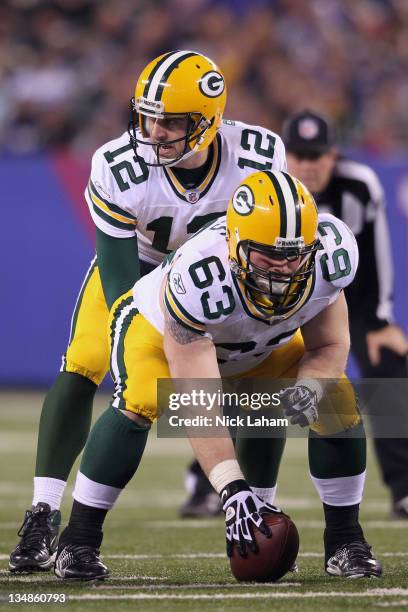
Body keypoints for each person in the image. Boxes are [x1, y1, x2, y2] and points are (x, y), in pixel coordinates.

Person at [9, 49, 287, 573]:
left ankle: (268, 508)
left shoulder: (256, 156)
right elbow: (118, 281)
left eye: (171, 121)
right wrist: (144, 341)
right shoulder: (119, 167)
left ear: (209, 122)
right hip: (138, 270)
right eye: (148, 117)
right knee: (87, 364)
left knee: (276, 382)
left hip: (217, 280)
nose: (155, 132)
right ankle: (44, 513)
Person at [54, 169, 382, 580]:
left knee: (336, 401)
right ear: (234, 243)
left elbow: (329, 345)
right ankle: (78, 540)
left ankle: (346, 541)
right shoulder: (199, 277)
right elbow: (199, 402)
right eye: (269, 254)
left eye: (295, 253)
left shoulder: (330, 256)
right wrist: (230, 487)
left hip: (257, 343)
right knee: (141, 399)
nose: (284, 268)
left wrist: (312, 386)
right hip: (158, 332)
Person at [283, 109, 408, 519]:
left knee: (387, 364)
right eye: (299, 156)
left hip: (341, 298)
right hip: (273, 300)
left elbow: (376, 256)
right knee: (239, 369)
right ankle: (208, 483)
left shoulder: (358, 184)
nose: (308, 166)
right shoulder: (263, 188)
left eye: (316, 155)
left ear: (333, 155)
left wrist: (380, 320)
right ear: (284, 157)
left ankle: (403, 489)